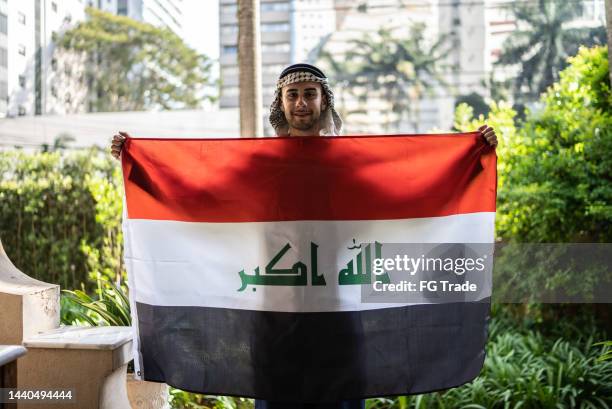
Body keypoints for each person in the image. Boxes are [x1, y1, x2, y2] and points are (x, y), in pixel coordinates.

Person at [110, 63, 497, 408]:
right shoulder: (259, 166)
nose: (301, 103)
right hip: (273, 317)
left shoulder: (347, 167)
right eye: (292, 95)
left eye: (310, 94)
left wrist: (470, 159)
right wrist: (139, 165)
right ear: (281, 103)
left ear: (324, 101)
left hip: (339, 312)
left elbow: (406, 194)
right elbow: (199, 194)